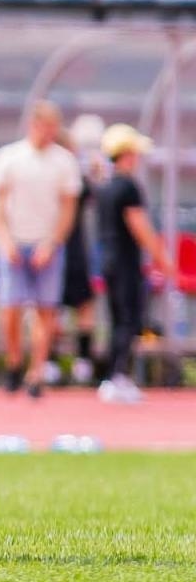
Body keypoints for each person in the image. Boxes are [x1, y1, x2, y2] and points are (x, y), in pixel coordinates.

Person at [0, 101, 82, 398]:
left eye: (54, 127)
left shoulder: (64, 161)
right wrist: (6, 241)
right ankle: (14, 360)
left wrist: (52, 243)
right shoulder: (10, 157)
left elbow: (68, 209)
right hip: (14, 242)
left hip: (46, 245)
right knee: (10, 308)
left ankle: (36, 371)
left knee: (45, 309)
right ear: (33, 125)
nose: (49, 133)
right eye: (45, 126)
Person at [95, 123, 173, 404]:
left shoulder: (105, 186)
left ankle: (112, 375)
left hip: (108, 260)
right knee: (129, 319)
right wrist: (164, 259)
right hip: (125, 262)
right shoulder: (128, 187)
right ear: (127, 154)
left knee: (117, 320)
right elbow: (140, 226)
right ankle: (118, 375)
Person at [51, 126, 100, 387]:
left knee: (72, 306)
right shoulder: (61, 176)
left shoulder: (74, 177)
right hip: (59, 249)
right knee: (53, 307)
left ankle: (71, 362)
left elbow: (96, 194)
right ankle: (66, 361)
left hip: (69, 250)